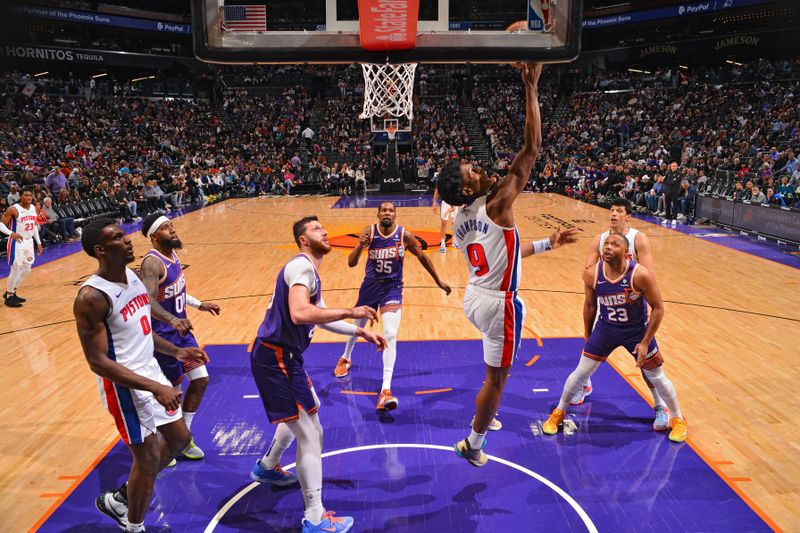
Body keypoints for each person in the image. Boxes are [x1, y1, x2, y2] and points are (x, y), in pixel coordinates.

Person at [436, 63, 577, 466]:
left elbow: (505, 256)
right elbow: (531, 150)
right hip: (499, 304)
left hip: (475, 297)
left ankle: (483, 417)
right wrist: (530, 86)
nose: (481, 169)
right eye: (474, 171)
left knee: (492, 375)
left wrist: (548, 244)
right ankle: (474, 442)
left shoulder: (462, 219)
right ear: (468, 188)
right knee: (496, 380)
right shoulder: (497, 203)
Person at [248, 216, 387, 533]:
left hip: (283, 357)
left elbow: (320, 318)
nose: (324, 231)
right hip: (276, 357)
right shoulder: (301, 268)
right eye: (316, 229)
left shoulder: (309, 271)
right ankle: (314, 517)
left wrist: (360, 333)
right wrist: (352, 311)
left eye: (323, 227)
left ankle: (268, 466)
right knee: (312, 435)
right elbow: (300, 314)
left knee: (311, 410)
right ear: (303, 240)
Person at [73, 218, 208, 532]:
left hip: (149, 372)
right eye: (118, 237)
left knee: (179, 438)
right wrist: (153, 386)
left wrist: (176, 351)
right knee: (147, 459)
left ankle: (122, 496)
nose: (128, 240)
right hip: (123, 386)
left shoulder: (133, 280)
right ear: (100, 249)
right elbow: (97, 361)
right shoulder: (91, 298)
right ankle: (134, 526)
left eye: (124, 234)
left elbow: (141, 332)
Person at [543, 232, 687, 443]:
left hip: (636, 332)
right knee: (582, 371)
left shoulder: (640, 275)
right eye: (606, 244)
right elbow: (590, 304)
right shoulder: (591, 273)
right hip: (606, 328)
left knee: (657, 376)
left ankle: (678, 418)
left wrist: (645, 342)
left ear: (626, 253)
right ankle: (559, 412)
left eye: (615, 244)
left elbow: (658, 308)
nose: (608, 247)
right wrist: (588, 333)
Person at [333, 201, 452, 410]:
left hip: (392, 289)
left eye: (391, 210)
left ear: (395, 215)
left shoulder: (404, 235)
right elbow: (351, 263)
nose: (387, 213)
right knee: (357, 328)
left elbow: (423, 257)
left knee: (390, 334)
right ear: (378, 214)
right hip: (370, 287)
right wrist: (361, 246)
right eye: (384, 210)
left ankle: (385, 390)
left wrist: (439, 281)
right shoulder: (368, 232)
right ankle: (346, 357)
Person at [576, 198, 671, 430]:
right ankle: (584, 384)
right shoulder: (600, 240)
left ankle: (661, 406)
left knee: (647, 362)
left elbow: (648, 273)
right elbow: (587, 272)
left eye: (619, 211)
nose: (614, 214)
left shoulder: (638, 238)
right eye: (612, 210)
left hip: (634, 311)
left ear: (628, 216)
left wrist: (627, 283)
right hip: (609, 307)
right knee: (589, 349)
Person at [139, 213, 221, 463]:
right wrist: (172, 320)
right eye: (165, 228)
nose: (172, 230)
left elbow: (177, 292)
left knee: (201, 379)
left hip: (182, 333)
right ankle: (168, 440)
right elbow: (148, 301)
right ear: (154, 236)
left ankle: (183, 436)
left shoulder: (172, 255)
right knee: (173, 391)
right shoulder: (152, 263)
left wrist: (199, 305)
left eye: (171, 225)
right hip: (163, 336)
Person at [1, 189, 42, 307]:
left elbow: (34, 226)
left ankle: (12, 291)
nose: (28, 197)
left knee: (27, 269)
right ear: (21, 196)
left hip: (29, 242)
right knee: (15, 270)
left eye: (30, 195)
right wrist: (10, 233)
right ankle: (9, 298)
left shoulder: (34, 208)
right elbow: (1, 223)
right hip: (16, 242)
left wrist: (38, 243)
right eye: (26, 195)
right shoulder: (13, 209)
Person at [432, 186, 459, 253]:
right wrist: (434, 202)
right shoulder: (443, 179)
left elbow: (457, 192)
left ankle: (455, 241)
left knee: (455, 223)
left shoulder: (456, 178)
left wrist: (455, 206)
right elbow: (437, 190)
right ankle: (443, 243)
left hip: (454, 202)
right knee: (443, 224)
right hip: (445, 203)